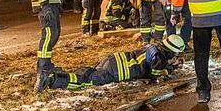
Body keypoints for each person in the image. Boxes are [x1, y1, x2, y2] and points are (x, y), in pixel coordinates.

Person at [37, 34, 185, 92]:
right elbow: (155, 75)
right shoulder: (159, 58)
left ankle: (57, 75)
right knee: (85, 81)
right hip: (117, 71)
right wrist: (171, 69)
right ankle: (51, 79)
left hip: (112, 60)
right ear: (172, 50)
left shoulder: (153, 47)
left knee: (87, 72)